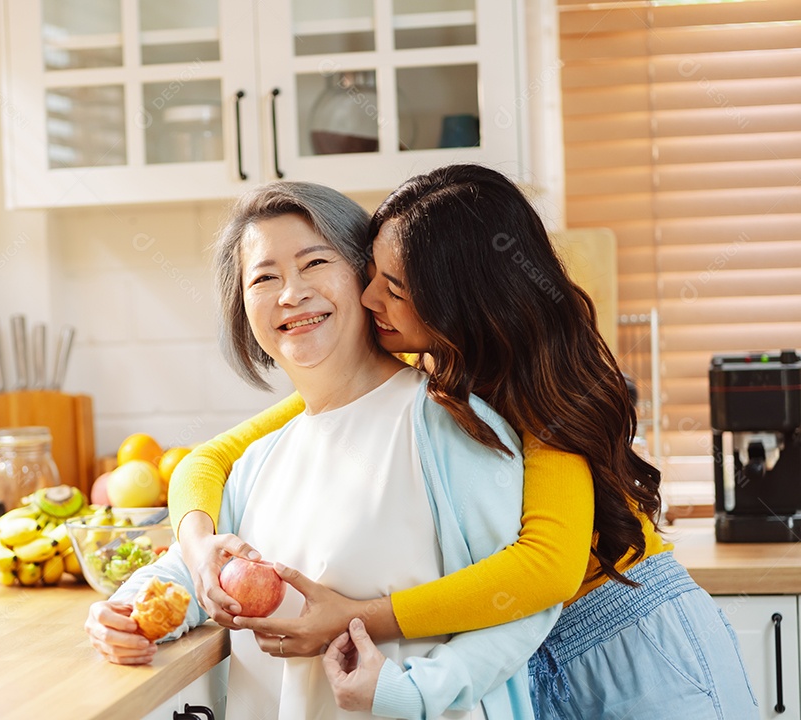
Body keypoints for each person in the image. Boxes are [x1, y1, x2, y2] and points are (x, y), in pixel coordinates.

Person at [169, 165, 757, 719]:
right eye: (372, 275)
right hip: (543, 655)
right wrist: (197, 545)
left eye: (394, 287)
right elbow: (211, 458)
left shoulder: (534, 392)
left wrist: (360, 619)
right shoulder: (435, 373)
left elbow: (545, 569)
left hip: (635, 643)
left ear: (459, 297)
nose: (370, 298)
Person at [85, 180, 559, 719]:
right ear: (243, 309)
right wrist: (124, 610)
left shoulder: (449, 425)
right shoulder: (258, 461)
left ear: (365, 276)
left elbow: (522, 607)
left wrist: (412, 693)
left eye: (314, 263)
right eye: (264, 277)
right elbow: (199, 573)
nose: (291, 293)